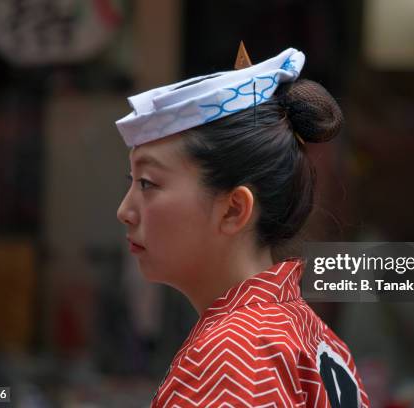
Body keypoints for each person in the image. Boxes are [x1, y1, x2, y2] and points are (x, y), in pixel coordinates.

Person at [116, 44, 370, 407]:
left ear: (234, 209)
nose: (125, 210)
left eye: (148, 184)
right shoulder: (307, 331)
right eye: (132, 181)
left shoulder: (235, 353)